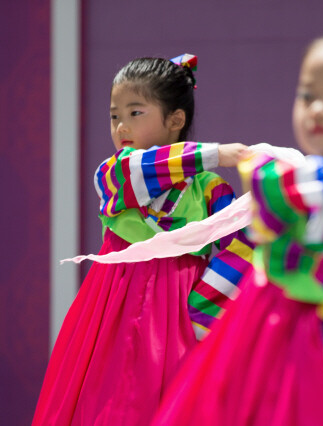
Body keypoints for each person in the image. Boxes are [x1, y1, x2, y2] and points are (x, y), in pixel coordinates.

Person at [152, 27, 323, 425]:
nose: (317, 108)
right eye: (307, 95)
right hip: (255, 349)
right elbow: (270, 194)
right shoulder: (290, 183)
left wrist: (314, 350)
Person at [33, 54, 253, 425]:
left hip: (176, 311)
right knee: (100, 401)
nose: (121, 126)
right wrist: (216, 153)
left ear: (175, 120)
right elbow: (143, 168)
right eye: (114, 115)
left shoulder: (211, 189)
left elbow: (245, 245)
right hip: (109, 308)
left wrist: (201, 311)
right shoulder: (115, 174)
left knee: (164, 405)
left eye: (135, 113)